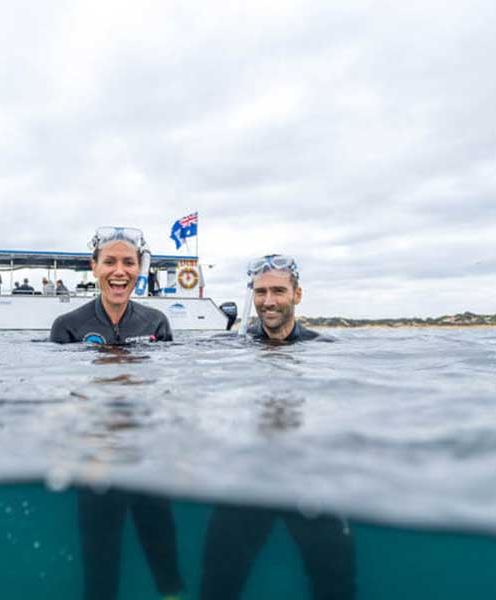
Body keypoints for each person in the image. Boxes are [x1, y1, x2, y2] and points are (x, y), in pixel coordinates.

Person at [200, 254, 355, 600]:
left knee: (336, 583)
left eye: (278, 291)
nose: (268, 301)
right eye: (260, 292)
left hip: (309, 477)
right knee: (217, 583)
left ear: (297, 294)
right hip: (246, 478)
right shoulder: (229, 347)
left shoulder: (324, 349)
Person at [50, 227, 182, 600]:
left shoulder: (156, 323)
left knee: (166, 563)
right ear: (94, 267)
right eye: (110, 262)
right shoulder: (67, 326)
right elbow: (60, 396)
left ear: (140, 269)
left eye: (128, 262)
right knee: (100, 570)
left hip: (145, 452)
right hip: (96, 457)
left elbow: (164, 388)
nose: (119, 271)